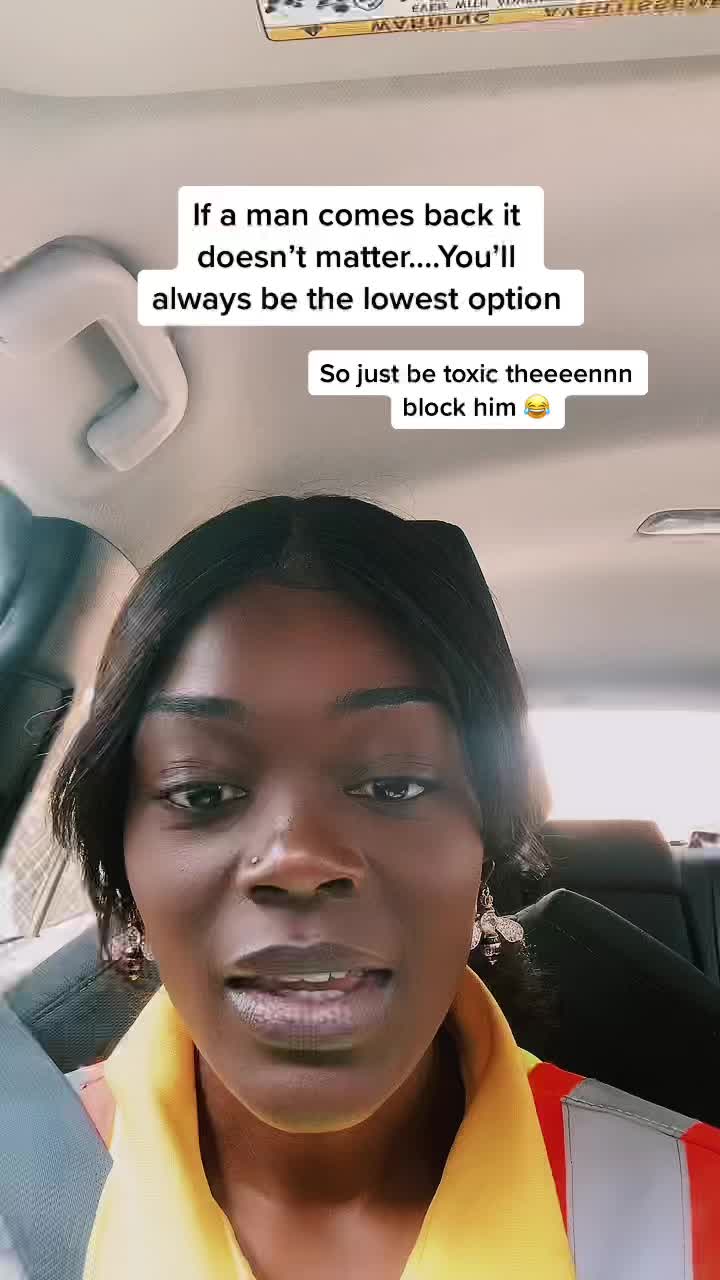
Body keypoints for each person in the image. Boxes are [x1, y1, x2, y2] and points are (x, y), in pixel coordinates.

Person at [50, 495, 720, 1280]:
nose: (297, 859)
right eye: (202, 792)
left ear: (484, 851)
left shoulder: (691, 1214)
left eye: (395, 785)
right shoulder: (22, 1180)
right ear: (123, 864)